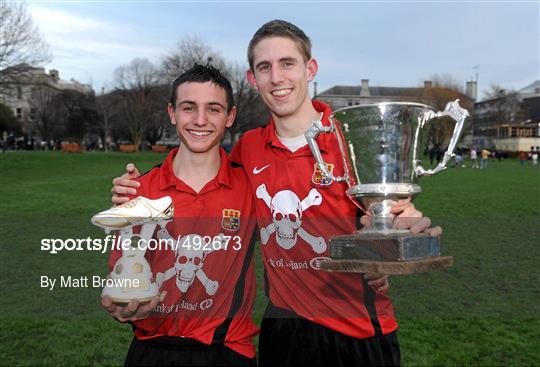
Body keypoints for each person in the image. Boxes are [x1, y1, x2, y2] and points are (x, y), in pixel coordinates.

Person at [111, 20, 441, 366]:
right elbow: (198, 184)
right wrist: (135, 187)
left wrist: (404, 229)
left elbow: (390, 214)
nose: (277, 78)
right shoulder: (248, 149)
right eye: (264, 67)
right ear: (252, 78)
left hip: (357, 332)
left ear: (310, 68)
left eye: (287, 63)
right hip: (284, 329)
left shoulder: (351, 142)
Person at [101, 64, 258, 366]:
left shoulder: (249, 186)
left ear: (230, 117)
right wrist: (123, 305)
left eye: (213, 109)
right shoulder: (139, 190)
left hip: (228, 349)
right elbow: (123, 274)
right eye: (189, 108)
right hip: (153, 350)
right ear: (172, 113)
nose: (200, 120)